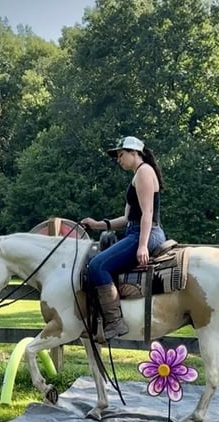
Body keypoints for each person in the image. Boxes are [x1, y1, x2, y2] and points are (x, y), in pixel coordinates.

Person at [81, 136, 167, 340]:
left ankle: (114, 322)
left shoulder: (144, 171)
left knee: (97, 266)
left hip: (145, 234)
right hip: (135, 231)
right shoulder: (136, 175)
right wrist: (98, 224)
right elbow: (127, 219)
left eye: (121, 154)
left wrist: (143, 245)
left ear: (134, 153)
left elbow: (148, 213)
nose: (119, 159)